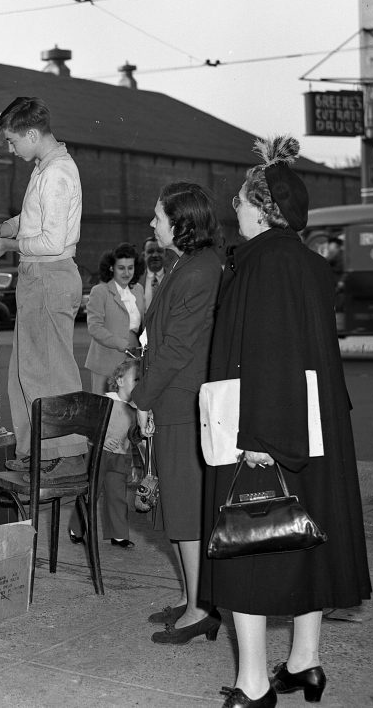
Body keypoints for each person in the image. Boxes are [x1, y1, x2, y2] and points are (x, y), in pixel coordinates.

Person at [200, 136, 371, 708]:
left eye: (243, 201)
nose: (235, 209)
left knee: (247, 553)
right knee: (304, 547)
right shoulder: (305, 262)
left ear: (264, 208)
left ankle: (252, 685)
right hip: (315, 430)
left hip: (271, 430)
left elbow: (271, 352)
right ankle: (304, 662)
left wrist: (260, 442)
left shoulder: (265, 261)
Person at [0, 96, 85, 484]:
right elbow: (32, 218)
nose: (10, 149)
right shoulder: (46, 168)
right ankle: (35, 451)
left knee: (50, 370)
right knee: (28, 369)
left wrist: (5, 246)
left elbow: (51, 241)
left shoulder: (55, 174)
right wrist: (1, 230)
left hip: (49, 273)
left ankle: (65, 453)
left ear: (33, 134)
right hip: (39, 277)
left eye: (13, 141)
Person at [129, 181, 222, 645]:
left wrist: (142, 398)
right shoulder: (189, 264)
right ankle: (194, 599)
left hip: (182, 400)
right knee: (180, 507)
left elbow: (176, 348)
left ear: (180, 223)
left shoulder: (199, 270)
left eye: (158, 216)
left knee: (185, 510)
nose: (152, 223)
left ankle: (201, 608)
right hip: (176, 398)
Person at [68, 358, 144, 547]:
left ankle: (118, 534)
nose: (139, 384)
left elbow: (133, 437)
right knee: (90, 493)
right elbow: (89, 425)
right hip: (99, 455)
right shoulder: (106, 401)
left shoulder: (136, 409)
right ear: (119, 381)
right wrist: (100, 436)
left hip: (121, 457)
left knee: (118, 496)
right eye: (136, 379)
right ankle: (77, 528)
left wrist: (135, 459)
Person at [84, 243, 144, 394]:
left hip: (134, 361)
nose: (126, 272)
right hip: (105, 363)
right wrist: (121, 344)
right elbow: (95, 327)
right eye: (121, 268)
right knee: (105, 410)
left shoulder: (138, 290)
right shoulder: (99, 291)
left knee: (130, 409)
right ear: (111, 268)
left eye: (130, 268)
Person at [139, 236, 168, 309]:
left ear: (165, 254)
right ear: (143, 255)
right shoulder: (135, 280)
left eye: (159, 251)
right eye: (150, 251)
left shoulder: (175, 277)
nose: (155, 255)